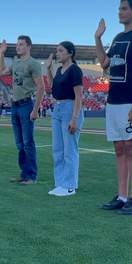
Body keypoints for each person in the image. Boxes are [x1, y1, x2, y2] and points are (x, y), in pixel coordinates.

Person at [94, 0, 132, 215]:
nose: (120, 12)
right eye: (119, 8)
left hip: (131, 101)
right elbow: (105, 63)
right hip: (114, 100)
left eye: (124, 8)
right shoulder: (118, 37)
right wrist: (98, 38)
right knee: (119, 148)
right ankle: (121, 196)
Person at [0, 36, 44, 185]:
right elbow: (2, 72)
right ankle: (24, 173)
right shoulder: (16, 62)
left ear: (29, 47)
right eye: (17, 45)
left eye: (21, 45)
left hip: (26, 105)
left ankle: (32, 176)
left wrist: (35, 110)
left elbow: (41, 87)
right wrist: (1, 54)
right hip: (15, 105)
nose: (18, 47)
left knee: (28, 142)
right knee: (20, 143)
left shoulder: (33, 64)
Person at [45, 41, 84, 196]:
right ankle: (60, 183)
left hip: (70, 108)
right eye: (57, 51)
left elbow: (79, 95)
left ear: (70, 53)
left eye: (61, 51)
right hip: (58, 108)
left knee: (69, 150)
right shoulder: (60, 70)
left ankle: (69, 185)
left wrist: (74, 118)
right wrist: (48, 69)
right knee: (58, 149)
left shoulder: (75, 70)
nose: (57, 53)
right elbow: (53, 86)